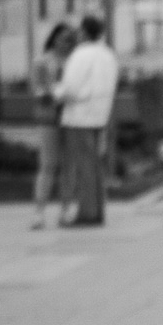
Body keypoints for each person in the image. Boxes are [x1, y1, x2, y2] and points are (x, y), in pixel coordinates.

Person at [58, 12, 118, 227]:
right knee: (95, 166)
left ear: (84, 32)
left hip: (79, 116)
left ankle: (87, 213)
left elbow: (71, 88)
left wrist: (57, 94)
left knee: (83, 166)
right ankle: (97, 210)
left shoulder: (80, 55)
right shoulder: (108, 55)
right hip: (100, 115)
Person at [29, 21, 76, 229]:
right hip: (48, 118)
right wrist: (50, 94)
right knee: (48, 164)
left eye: (71, 39)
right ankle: (39, 213)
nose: (67, 43)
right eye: (64, 38)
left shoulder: (76, 61)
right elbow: (36, 90)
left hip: (72, 117)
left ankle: (65, 210)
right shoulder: (42, 61)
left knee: (68, 166)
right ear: (54, 38)